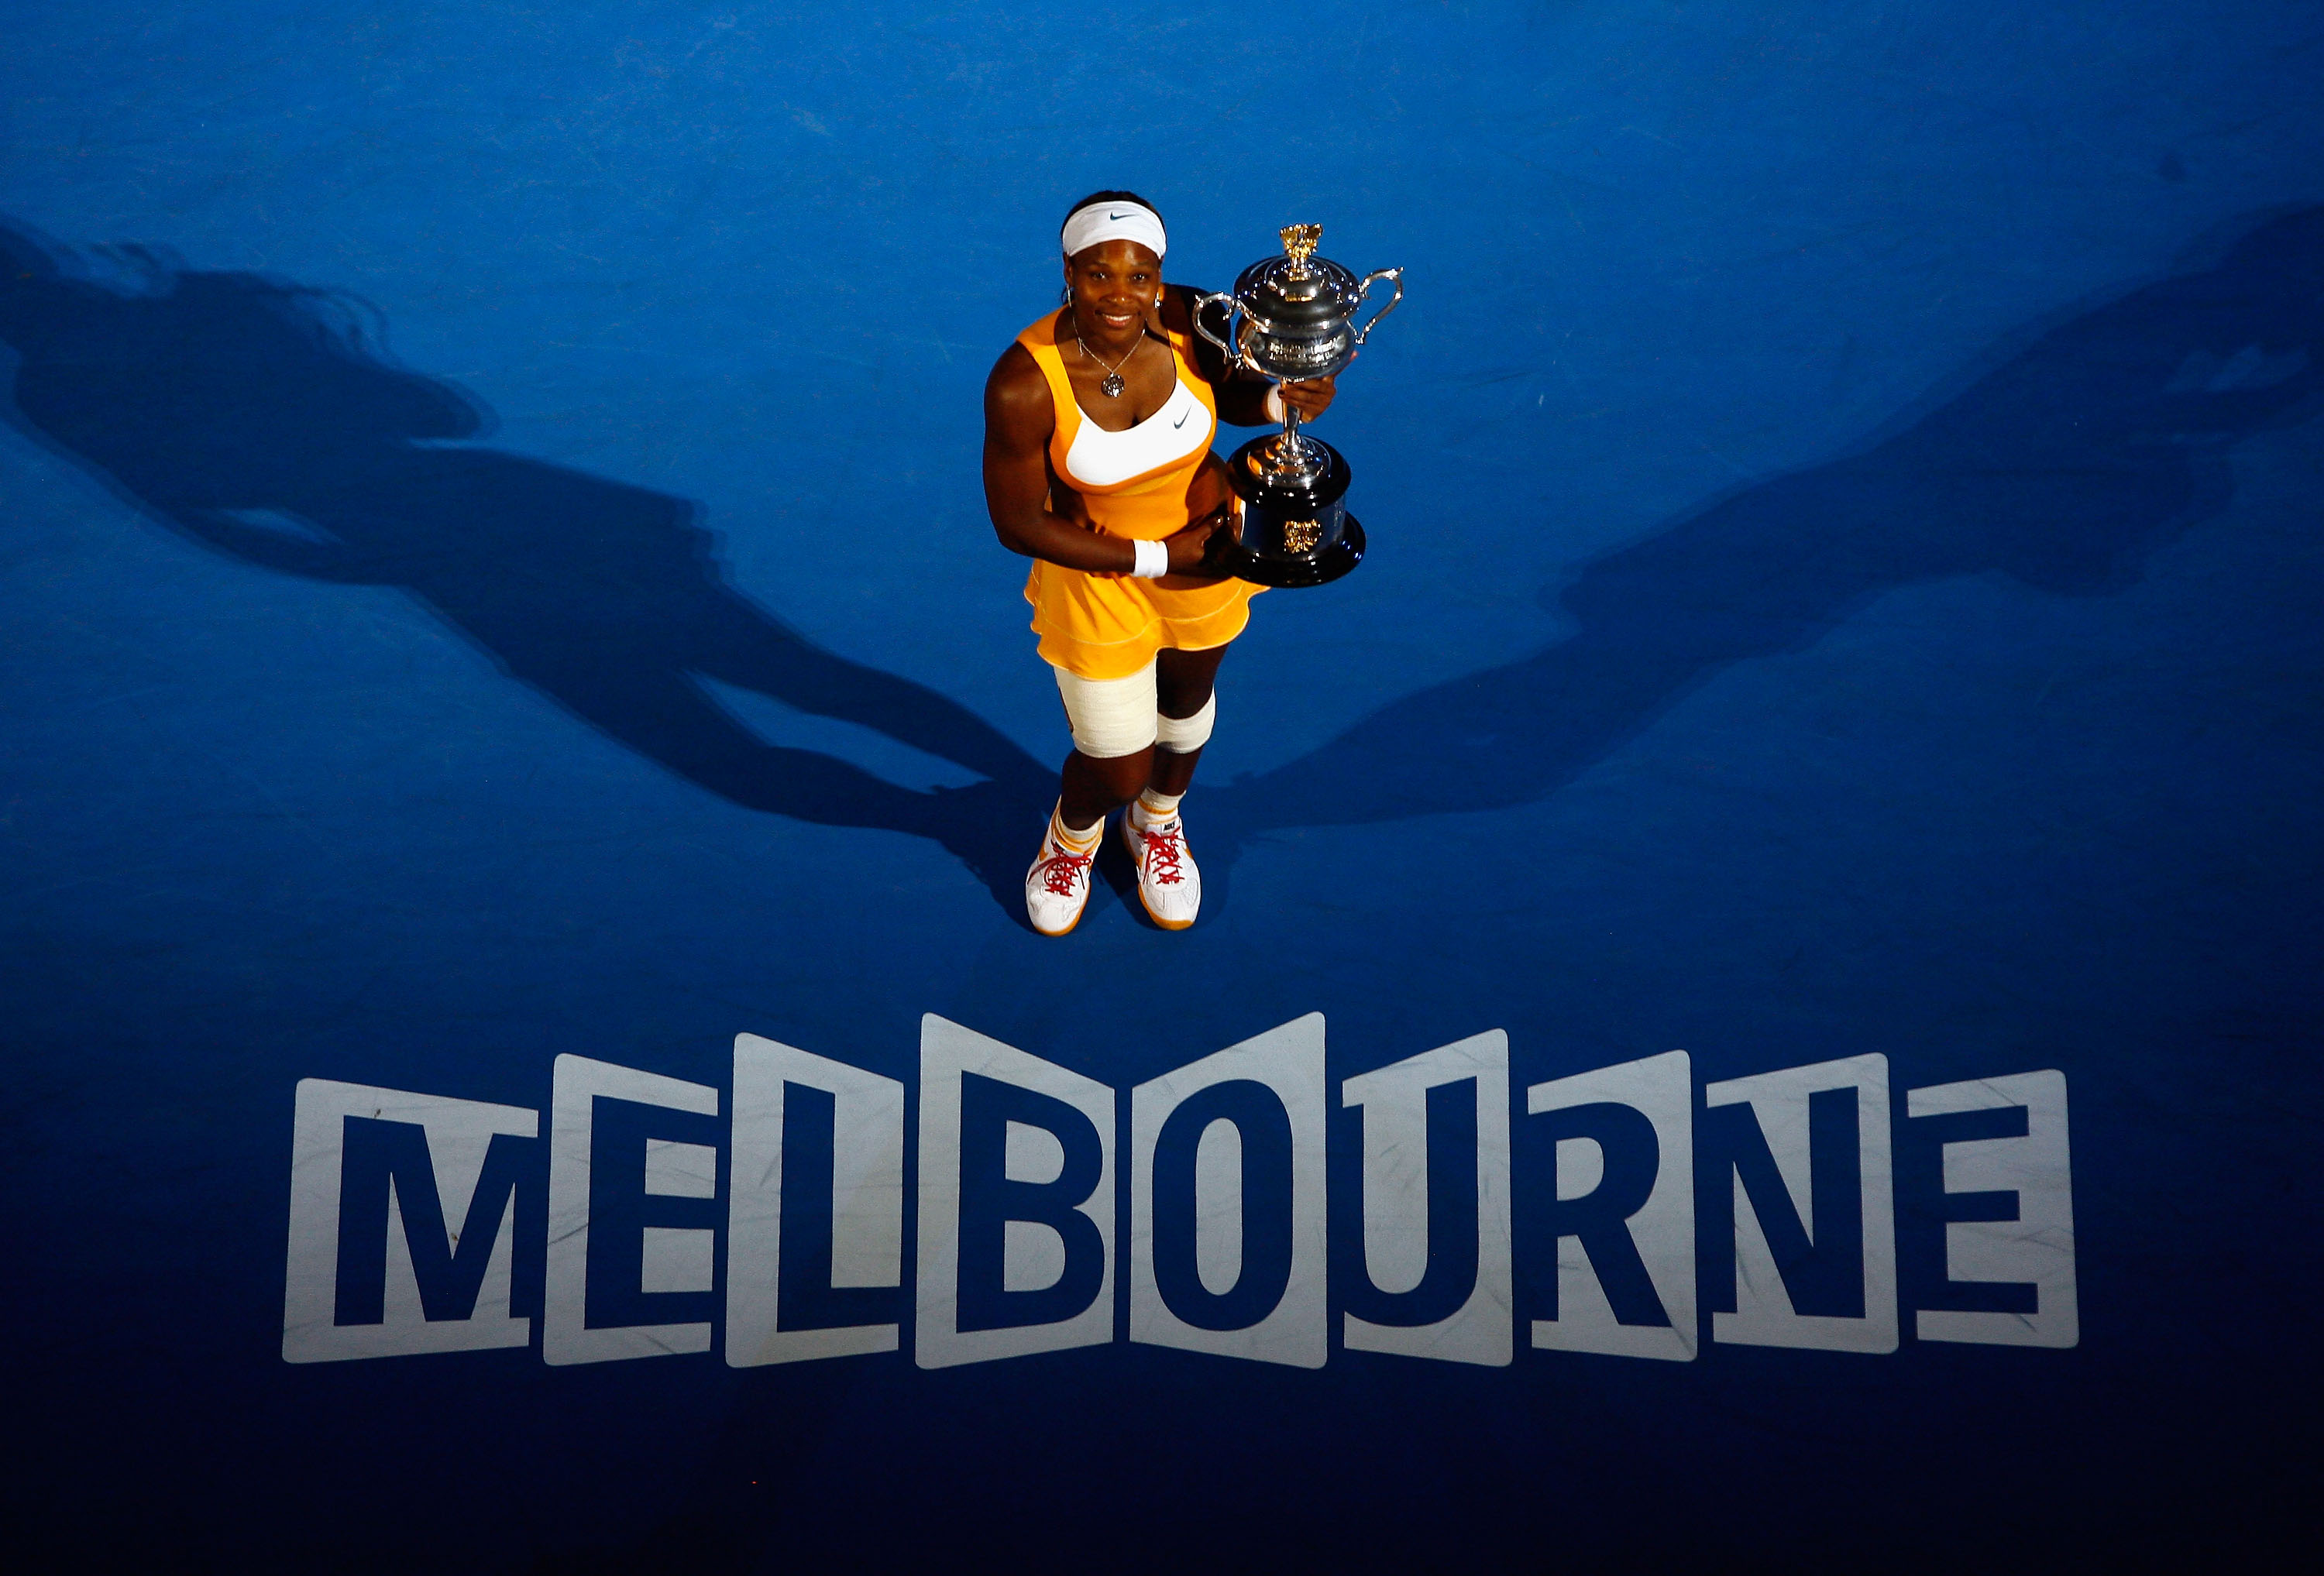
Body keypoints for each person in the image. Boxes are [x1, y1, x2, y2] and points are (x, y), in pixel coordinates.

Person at [983, 192, 1336, 935]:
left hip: (1208, 555)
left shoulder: (1188, 314)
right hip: (1103, 576)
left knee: (1183, 714)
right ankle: (1074, 837)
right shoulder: (1022, 382)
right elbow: (1018, 523)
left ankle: (1158, 824)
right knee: (1115, 759)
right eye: (1098, 275)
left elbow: (1231, 394)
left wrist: (1282, 400)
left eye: (1139, 276)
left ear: (1158, 275)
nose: (1121, 294)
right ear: (1069, 272)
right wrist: (1153, 555)